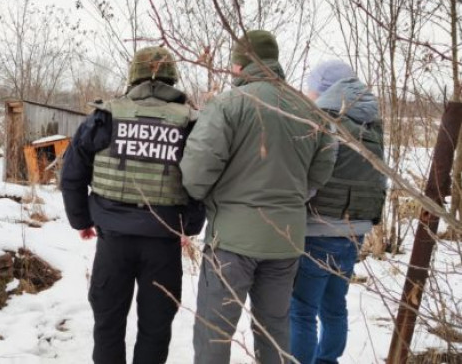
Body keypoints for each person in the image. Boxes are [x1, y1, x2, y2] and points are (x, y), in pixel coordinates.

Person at [180, 30, 336, 364]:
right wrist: (293, 196)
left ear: (240, 64)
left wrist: (211, 198)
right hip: (285, 241)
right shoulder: (309, 111)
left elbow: (195, 172)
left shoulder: (227, 105)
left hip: (231, 243)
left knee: (214, 332)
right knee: (275, 331)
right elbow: (321, 171)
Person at [61, 46, 205, 364]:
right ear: (172, 77)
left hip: (113, 242)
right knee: (156, 328)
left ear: (133, 76)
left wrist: (81, 221)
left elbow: (72, 173)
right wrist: (188, 227)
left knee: (108, 324)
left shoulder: (105, 117)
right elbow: (203, 181)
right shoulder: (191, 122)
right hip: (164, 244)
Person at [290, 60, 387, 364]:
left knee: (301, 309)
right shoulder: (371, 123)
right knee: (334, 305)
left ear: (323, 89)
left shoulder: (323, 121)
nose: (308, 94)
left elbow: (310, 178)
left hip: (318, 228)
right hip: (354, 229)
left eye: (311, 88)